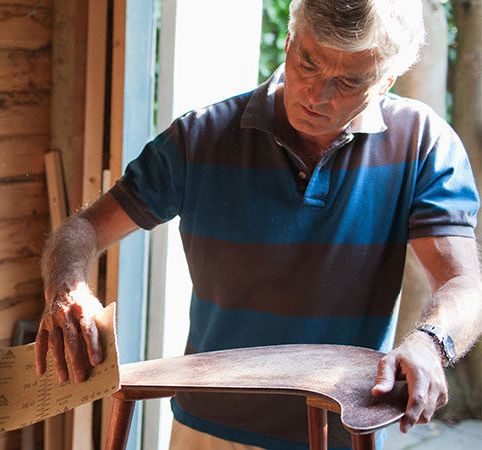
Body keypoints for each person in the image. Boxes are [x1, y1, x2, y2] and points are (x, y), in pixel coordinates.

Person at [34, 0, 482, 448]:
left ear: (385, 81)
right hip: (205, 428)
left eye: (347, 82)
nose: (316, 95)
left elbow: (464, 283)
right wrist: (67, 286)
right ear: (288, 44)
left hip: (338, 429)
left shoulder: (423, 144)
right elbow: (84, 229)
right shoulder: (200, 138)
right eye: (307, 63)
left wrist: (430, 342)